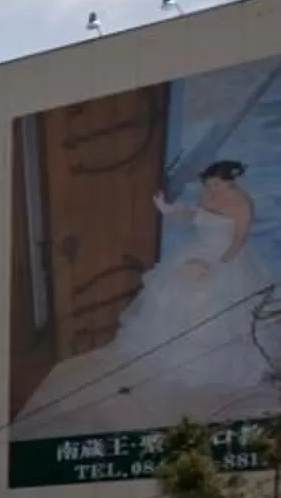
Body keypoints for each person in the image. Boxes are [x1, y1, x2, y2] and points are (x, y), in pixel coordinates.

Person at [116, 157, 278, 399]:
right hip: (197, 249)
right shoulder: (206, 196)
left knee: (214, 303)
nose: (210, 190)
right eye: (208, 185)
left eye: (215, 185)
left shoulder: (243, 204)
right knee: (172, 290)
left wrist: (218, 265)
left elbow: (240, 239)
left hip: (227, 256)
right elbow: (194, 216)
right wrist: (169, 210)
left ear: (230, 181)